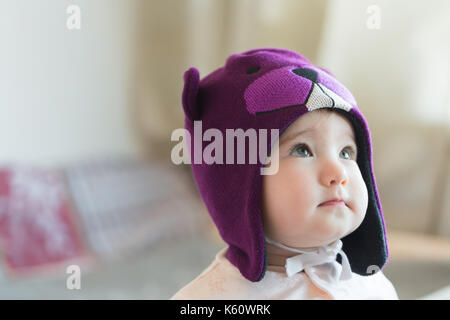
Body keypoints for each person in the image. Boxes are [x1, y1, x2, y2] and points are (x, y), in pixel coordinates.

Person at [170, 47, 399, 299]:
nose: (338, 172)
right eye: (302, 150)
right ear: (239, 187)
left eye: (346, 152)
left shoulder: (373, 286)